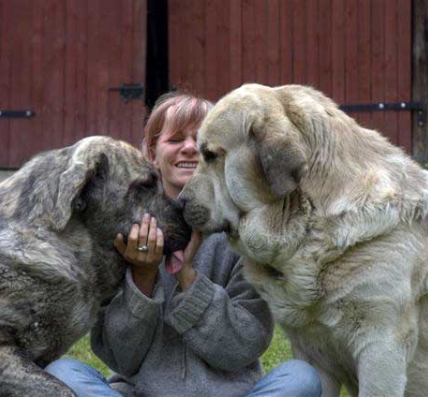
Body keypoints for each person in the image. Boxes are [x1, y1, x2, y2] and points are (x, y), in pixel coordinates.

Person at [46, 92, 322, 397]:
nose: (190, 148)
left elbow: (241, 348)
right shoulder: (120, 235)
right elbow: (122, 358)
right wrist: (143, 276)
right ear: (152, 153)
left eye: (202, 142)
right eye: (175, 139)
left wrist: (186, 275)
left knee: (301, 377)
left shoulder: (245, 237)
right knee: (61, 374)